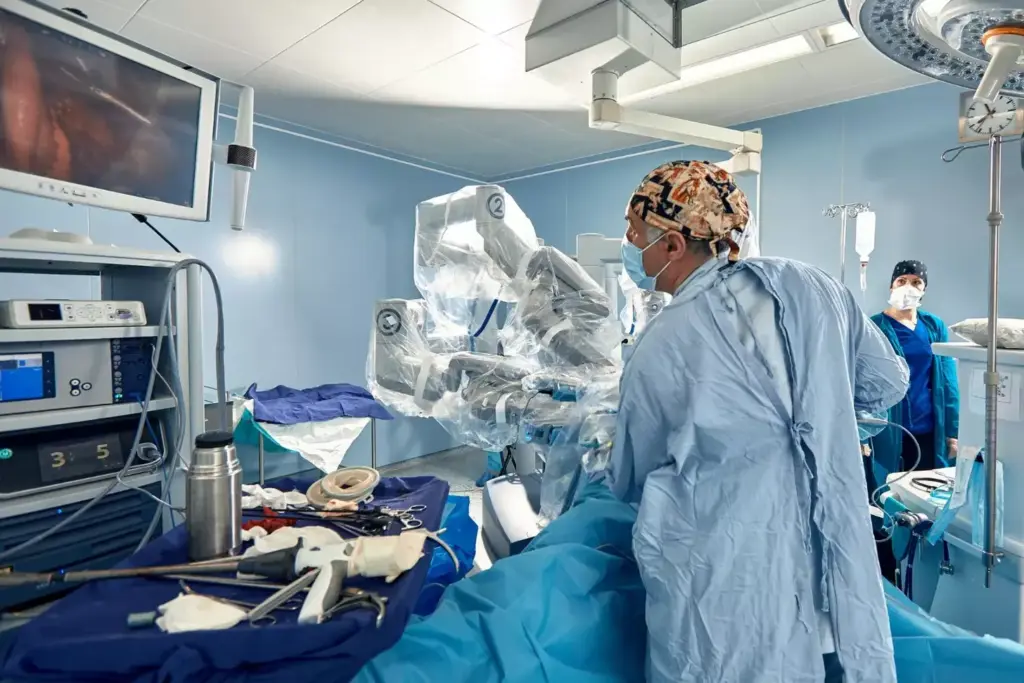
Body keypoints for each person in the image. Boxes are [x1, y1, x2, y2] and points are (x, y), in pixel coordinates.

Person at [608, 160, 909, 683]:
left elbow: (630, 473)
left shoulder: (663, 343)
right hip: (833, 584)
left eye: (636, 235)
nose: (631, 248)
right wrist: (826, 414)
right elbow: (887, 385)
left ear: (674, 245)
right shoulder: (818, 288)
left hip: (729, 596)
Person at [866, 261, 960, 484]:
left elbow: (948, 379)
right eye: (902, 281)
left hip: (929, 425)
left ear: (924, 290)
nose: (908, 287)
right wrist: (862, 431)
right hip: (889, 426)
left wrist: (953, 430)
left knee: (926, 490)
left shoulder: (933, 325)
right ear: (892, 286)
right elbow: (864, 383)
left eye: (916, 282)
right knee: (888, 489)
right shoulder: (875, 326)